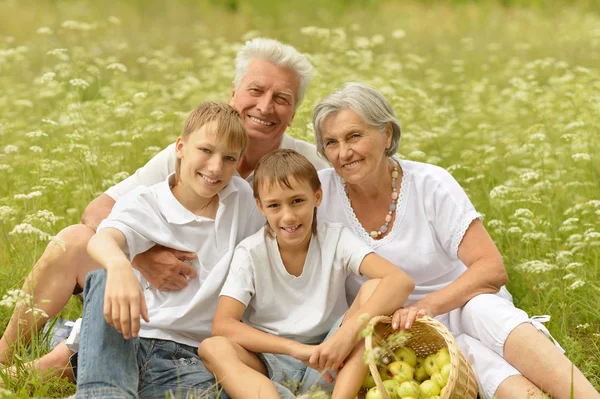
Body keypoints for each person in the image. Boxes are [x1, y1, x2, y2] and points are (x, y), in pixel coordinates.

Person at [0, 37, 328, 378]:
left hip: (224, 313)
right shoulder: (193, 151)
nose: (265, 106)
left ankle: (66, 358)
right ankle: (6, 355)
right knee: (73, 240)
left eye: (282, 99)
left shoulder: (307, 167)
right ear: (234, 93)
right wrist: (143, 256)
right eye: (255, 90)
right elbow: (98, 211)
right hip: (157, 295)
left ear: (293, 114)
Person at [311, 82, 600, 399]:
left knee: (483, 311)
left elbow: (491, 269)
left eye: (354, 136)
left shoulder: (430, 183)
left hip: (462, 302)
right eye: (331, 142)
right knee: (474, 358)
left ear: (387, 135)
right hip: (405, 336)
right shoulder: (318, 195)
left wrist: (427, 306)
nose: (343, 152)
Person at [76, 101, 264, 398]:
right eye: (206, 150)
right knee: (102, 276)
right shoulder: (147, 201)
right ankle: (106, 392)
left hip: (191, 358)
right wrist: (121, 265)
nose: (216, 167)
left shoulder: (243, 201)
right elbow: (101, 239)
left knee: (259, 391)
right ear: (180, 147)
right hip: (132, 340)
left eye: (229, 158)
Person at [197, 149, 415, 399]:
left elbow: (400, 281)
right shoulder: (250, 252)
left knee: (375, 291)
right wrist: (294, 349)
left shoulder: (336, 238)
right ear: (260, 206)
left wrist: (346, 335)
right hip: (270, 364)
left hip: (332, 360)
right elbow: (223, 325)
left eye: (297, 201)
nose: (288, 216)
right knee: (213, 347)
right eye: (274, 205)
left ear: (317, 196)